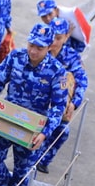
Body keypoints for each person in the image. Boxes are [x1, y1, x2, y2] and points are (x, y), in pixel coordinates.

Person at [0, 23, 69, 186]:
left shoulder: (57, 72)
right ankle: (2, 183)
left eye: (39, 47)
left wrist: (45, 133)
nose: (33, 50)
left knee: (24, 171)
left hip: (32, 129)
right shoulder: (16, 57)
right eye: (31, 45)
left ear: (49, 47)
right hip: (7, 119)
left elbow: (58, 107)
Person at [36, 16, 88, 173]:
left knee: (62, 132)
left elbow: (82, 81)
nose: (54, 42)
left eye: (58, 38)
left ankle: (43, 161)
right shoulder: (39, 50)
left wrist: (74, 103)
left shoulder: (71, 57)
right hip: (37, 102)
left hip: (59, 105)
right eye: (52, 37)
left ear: (66, 37)